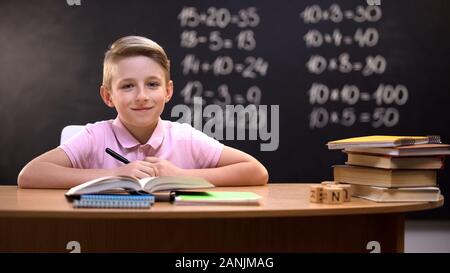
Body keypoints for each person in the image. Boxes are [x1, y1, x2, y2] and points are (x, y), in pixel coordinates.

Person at [18, 36, 268, 188]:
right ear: (108, 96)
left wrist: (182, 176)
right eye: (127, 86)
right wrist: (114, 175)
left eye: (152, 84)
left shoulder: (184, 137)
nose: (141, 96)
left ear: (168, 91)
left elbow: (256, 171)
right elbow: (30, 175)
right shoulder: (95, 137)